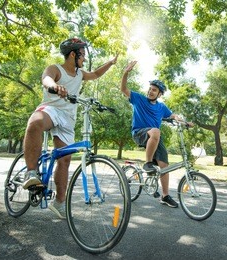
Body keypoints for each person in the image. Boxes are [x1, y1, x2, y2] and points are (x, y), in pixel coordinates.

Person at [22, 38, 118, 219]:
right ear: (73, 54)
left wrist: (111, 63)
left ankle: (59, 202)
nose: (84, 58)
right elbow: (47, 79)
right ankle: (31, 172)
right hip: (52, 109)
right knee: (35, 123)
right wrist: (55, 87)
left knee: (65, 160)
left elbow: (96, 74)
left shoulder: (80, 74)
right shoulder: (55, 69)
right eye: (82, 54)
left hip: (68, 119)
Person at [120, 60, 191, 208]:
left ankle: (165, 196)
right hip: (139, 133)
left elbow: (172, 116)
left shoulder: (161, 107)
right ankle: (148, 163)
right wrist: (126, 72)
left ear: (159, 94)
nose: (150, 91)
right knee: (156, 131)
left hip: (154, 138)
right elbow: (123, 88)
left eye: (154, 90)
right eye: (150, 88)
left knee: (164, 165)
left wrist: (183, 121)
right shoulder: (138, 99)